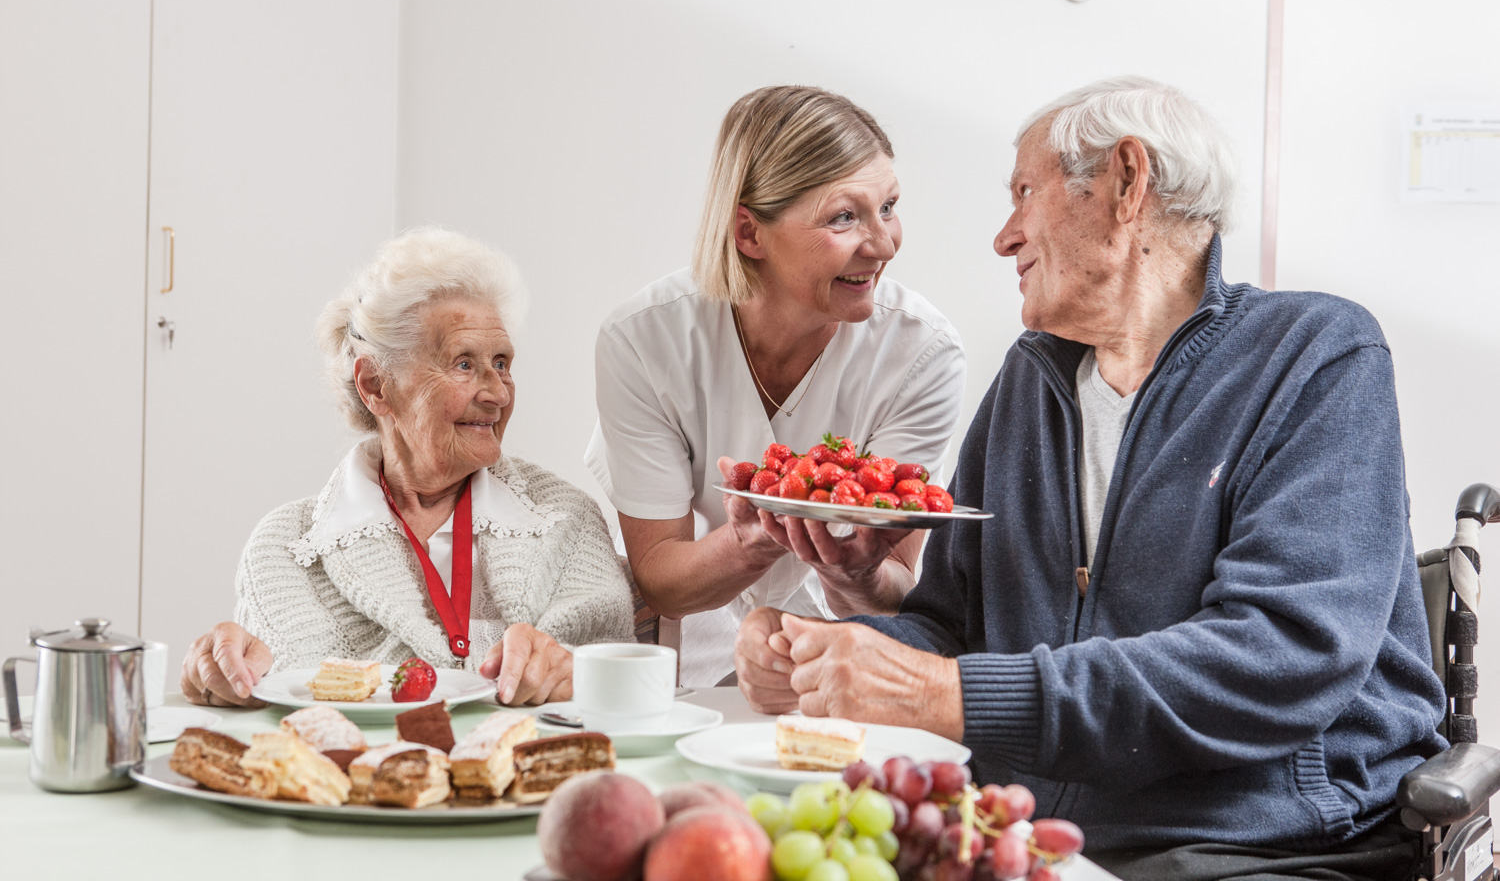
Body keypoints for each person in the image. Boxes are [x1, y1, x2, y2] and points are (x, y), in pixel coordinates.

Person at [735, 77, 1447, 879]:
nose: (1004, 238)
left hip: (1257, 845)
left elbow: (1280, 655)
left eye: (1025, 195)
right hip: (1036, 835)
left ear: (1127, 180)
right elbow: (954, 630)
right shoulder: (1026, 384)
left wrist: (948, 695)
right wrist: (833, 652)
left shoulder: (1315, 355)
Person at [586, 86, 966, 687]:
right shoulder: (644, 340)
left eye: (888, 207)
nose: (885, 243)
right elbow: (662, 576)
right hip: (694, 638)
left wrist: (857, 572)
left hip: (848, 648)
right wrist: (756, 537)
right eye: (844, 216)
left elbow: (895, 592)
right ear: (749, 233)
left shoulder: (923, 354)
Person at [182, 228, 634, 708]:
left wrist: (575, 670)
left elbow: (623, 678)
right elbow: (284, 705)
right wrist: (232, 672)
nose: (498, 393)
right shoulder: (284, 550)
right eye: (463, 364)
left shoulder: (565, 520)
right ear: (376, 385)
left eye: (501, 363)